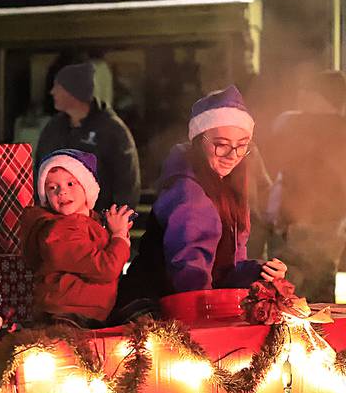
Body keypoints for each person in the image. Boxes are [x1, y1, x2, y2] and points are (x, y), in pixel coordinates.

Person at [118, 86, 287, 305]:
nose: (233, 155)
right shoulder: (187, 193)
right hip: (153, 313)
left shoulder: (228, 185)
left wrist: (260, 272)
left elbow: (226, 270)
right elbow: (190, 281)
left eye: (242, 146)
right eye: (221, 145)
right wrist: (209, 315)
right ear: (199, 141)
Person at [20, 149, 134, 326]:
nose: (62, 192)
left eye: (71, 184)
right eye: (52, 187)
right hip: (68, 316)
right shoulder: (59, 232)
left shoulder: (90, 222)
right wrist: (119, 237)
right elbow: (105, 268)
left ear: (87, 187)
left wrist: (114, 231)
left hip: (91, 312)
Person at [265, 70, 346, 302]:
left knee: (288, 294)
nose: (301, 97)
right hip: (333, 227)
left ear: (320, 96)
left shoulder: (295, 124)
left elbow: (274, 163)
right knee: (322, 289)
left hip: (298, 227)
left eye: (308, 92)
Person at [35, 62, 141, 212]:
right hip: (58, 224)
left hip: (99, 225)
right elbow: (39, 170)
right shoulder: (53, 128)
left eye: (58, 87)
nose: (52, 92)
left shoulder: (112, 130)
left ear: (74, 91)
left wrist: (118, 222)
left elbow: (127, 181)